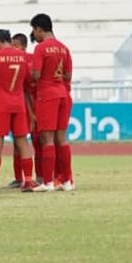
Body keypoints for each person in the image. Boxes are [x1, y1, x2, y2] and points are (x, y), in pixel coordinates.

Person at [0, 29, 37, 194]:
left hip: (1, 102)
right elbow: (29, 80)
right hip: (18, 103)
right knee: (23, 142)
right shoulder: (22, 56)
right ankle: (28, 180)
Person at [29, 14, 74, 192]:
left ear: (39, 29)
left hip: (47, 95)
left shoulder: (41, 48)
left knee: (46, 138)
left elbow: (36, 75)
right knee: (61, 138)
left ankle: (47, 182)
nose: (34, 34)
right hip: (63, 93)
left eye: (34, 30)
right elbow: (68, 76)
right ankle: (67, 181)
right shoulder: (64, 48)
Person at [7, 32, 40, 187]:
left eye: (16, 45)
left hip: (32, 103)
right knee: (18, 142)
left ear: (24, 46)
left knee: (34, 140)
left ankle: (38, 176)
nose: (13, 48)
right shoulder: (14, 59)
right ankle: (19, 178)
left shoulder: (30, 58)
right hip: (20, 103)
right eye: (11, 45)